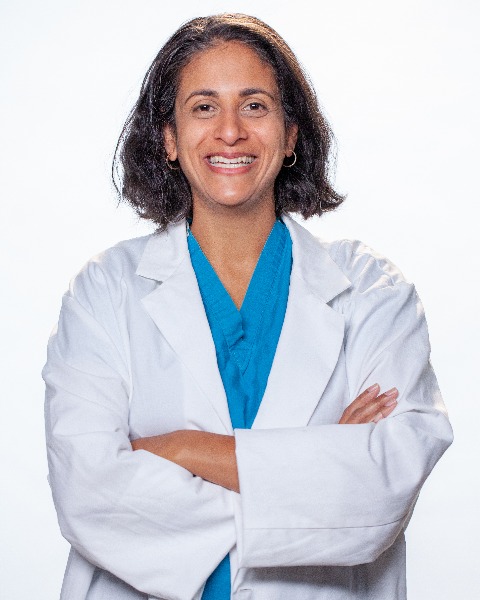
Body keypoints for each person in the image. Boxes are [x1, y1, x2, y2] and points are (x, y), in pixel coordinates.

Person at [43, 13, 453, 600]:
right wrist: (315, 470)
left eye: (255, 106)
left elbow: (382, 490)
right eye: (203, 107)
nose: (230, 131)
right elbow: (91, 494)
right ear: (169, 138)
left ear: (291, 136)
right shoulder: (104, 292)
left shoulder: (372, 292)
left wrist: (182, 450)